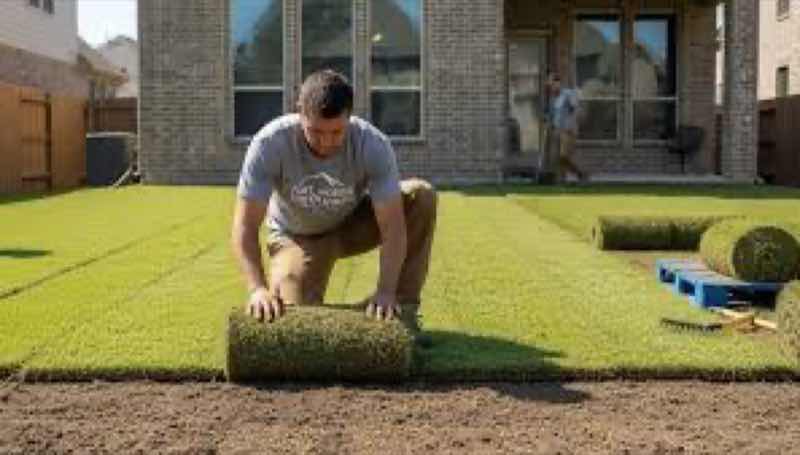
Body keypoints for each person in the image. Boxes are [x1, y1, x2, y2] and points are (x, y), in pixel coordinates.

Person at [231, 69, 437, 346]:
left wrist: (386, 290)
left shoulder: (372, 144)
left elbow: (393, 226)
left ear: (350, 117)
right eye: (315, 132)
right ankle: (345, 311)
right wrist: (257, 289)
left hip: (351, 223)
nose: (326, 142)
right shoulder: (269, 144)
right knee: (292, 322)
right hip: (297, 236)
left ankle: (401, 310)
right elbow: (245, 226)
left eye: (337, 132)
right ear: (300, 113)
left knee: (421, 196)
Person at [545, 73, 589, 183]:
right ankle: (561, 180)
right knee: (556, 158)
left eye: (552, 84)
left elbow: (576, 109)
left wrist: (571, 124)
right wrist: (549, 123)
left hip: (568, 131)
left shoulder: (567, 94)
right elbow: (552, 115)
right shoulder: (552, 99)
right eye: (550, 86)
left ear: (558, 83)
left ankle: (581, 173)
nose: (551, 87)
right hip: (557, 131)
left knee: (563, 156)